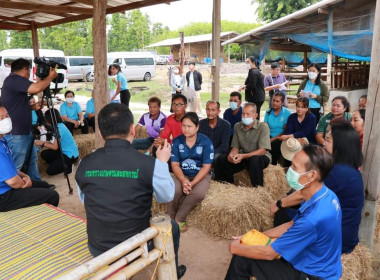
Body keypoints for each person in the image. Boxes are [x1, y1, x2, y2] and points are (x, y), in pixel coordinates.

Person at [75, 103, 186, 279]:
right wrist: (163, 163)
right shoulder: (149, 163)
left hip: (97, 246)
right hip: (136, 245)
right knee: (171, 226)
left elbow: (85, 199)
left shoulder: (84, 163)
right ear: (133, 130)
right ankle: (172, 271)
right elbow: (166, 196)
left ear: (101, 133)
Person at [225, 145, 342, 280]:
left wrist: (235, 248)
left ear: (311, 175)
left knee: (242, 258)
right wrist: (253, 237)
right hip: (320, 265)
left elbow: (270, 253)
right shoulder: (326, 195)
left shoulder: (312, 219)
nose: (289, 170)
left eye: (294, 167)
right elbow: (291, 225)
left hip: (312, 275)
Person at [270, 123, 363, 254]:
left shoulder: (339, 173)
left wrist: (279, 203)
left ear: (340, 145)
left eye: (328, 141)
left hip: (336, 240)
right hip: (339, 231)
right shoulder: (347, 169)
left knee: (282, 212)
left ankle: (281, 252)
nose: (324, 144)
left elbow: (303, 195)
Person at [1, 58, 57, 180]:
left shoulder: (13, 81)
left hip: (24, 132)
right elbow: (37, 88)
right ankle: (14, 193)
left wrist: (31, 107)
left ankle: (36, 186)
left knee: (32, 160)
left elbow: (15, 106)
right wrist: (50, 77)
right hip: (16, 133)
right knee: (17, 165)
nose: (30, 73)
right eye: (29, 70)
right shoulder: (14, 79)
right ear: (25, 69)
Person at [0, 105, 59, 212]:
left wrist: (26, 176)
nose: (6, 120)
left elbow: (12, 169)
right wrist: (26, 183)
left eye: (7, 116)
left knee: (45, 186)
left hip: (8, 187)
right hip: (4, 196)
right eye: (1, 118)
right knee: (52, 195)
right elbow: (13, 182)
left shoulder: (2, 140)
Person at [167, 112, 214, 232]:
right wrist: (183, 180)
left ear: (197, 127)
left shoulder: (206, 142)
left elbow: (206, 167)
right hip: (182, 173)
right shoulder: (177, 141)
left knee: (198, 193)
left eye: (189, 126)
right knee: (174, 189)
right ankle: (169, 218)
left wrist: (191, 184)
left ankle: (178, 219)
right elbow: (175, 164)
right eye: (183, 126)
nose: (186, 129)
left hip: (201, 174)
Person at [214, 103, 271, 187]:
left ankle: (258, 189)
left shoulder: (263, 127)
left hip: (259, 157)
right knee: (221, 159)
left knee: (254, 160)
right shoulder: (237, 126)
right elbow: (235, 147)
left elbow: (262, 151)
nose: (244, 116)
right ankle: (226, 185)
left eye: (248, 114)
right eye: (243, 113)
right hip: (243, 157)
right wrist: (232, 155)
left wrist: (243, 156)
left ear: (255, 115)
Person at [35, 109, 79, 175]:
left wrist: (42, 143)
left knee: (49, 171)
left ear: (49, 119)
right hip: (63, 151)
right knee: (44, 154)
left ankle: (68, 166)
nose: (45, 119)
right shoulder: (59, 125)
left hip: (70, 156)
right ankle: (59, 164)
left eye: (46, 117)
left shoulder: (58, 128)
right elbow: (54, 142)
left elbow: (55, 147)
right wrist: (41, 142)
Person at [264, 93, 291, 165]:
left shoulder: (287, 113)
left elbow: (285, 131)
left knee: (275, 145)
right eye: (273, 100)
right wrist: (266, 139)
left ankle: (274, 165)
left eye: (277, 101)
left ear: (282, 103)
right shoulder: (268, 112)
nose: (274, 103)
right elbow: (265, 128)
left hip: (281, 137)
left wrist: (272, 139)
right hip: (269, 136)